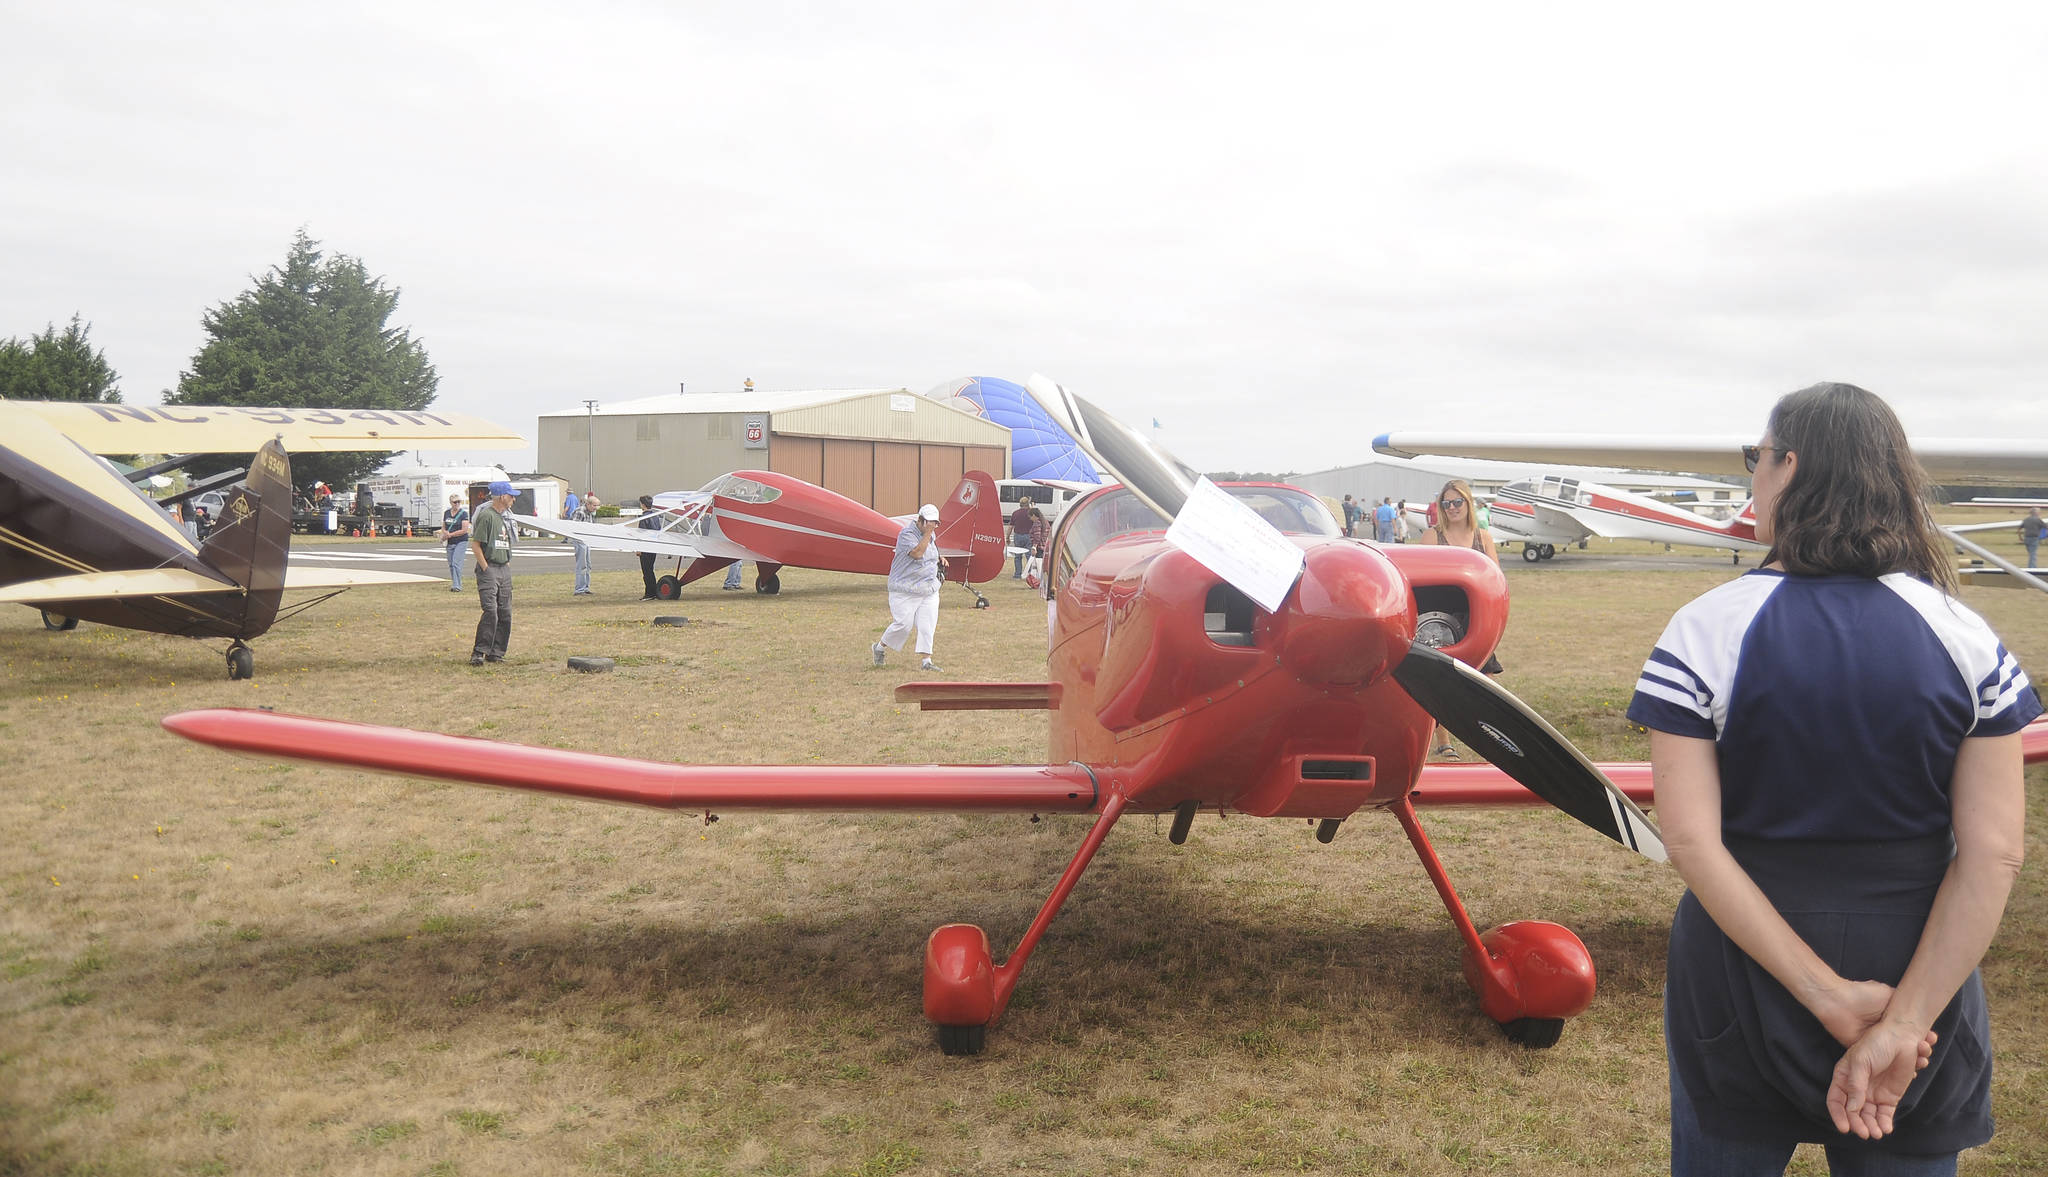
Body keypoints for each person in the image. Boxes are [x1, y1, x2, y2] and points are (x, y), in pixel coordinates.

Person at [1628, 382, 2035, 1174]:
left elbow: (1691, 838)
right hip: (1920, 966)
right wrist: (1901, 1019)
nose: (1752, 477)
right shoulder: (1967, 636)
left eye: (1757, 457)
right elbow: (1994, 855)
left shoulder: (1706, 629)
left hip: (1743, 963)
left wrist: (1824, 994)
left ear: (1790, 466)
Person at [1420, 479, 1502, 758]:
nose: (1452, 508)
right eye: (1447, 503)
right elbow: (1421, 582)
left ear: (1469, 503)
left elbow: (1495, 581)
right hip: (1440, 619)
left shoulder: (1483, 537)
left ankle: (1492, 741)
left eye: (1458, 502)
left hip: (1476, 618)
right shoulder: (1432, 536)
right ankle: (1444, 742)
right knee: (1440, 681)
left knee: (1487, 681)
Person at [871, 502, 946, 672]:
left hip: (928, 588)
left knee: (927, 625)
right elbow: (918, 553)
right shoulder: (906, 535)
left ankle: (926, 661)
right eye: (931, 522)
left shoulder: (931, 536)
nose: (934, 526)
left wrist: (940, 558)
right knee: (903, 625)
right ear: (920, 520)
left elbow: (930, 552)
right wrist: (928, 533)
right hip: (904, 589)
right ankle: (880, 647)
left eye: (936, 523)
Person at [468, 480, 518, 665]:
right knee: (491, 612)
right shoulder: (487, 516)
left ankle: (496, 652)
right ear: (502, 497)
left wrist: (507, 564)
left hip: (503, 568)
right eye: (511, 496)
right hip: (490, 568)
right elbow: (476, 544)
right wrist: (486, 568)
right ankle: (479, 652)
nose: (514, 499)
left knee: (505, 612)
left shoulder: (504, 517)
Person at [439, 493, 471, 592]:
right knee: (451, 564)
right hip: (450, 542)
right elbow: (444, 527)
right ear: (451, 502)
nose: (457, 504)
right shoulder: (447, 513)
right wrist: (445, 533)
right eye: (455, 502)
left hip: (461, 541)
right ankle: (455, 582)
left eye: (458, 502)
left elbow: (464, 530)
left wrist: (451, 534)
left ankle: (457, 585)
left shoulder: (463, 514)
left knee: (456, 563)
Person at [636, 494, 662, 600]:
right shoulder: (656, 516)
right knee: (650, 569)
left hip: (646, 547)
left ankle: (649, 593)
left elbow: (641, 534)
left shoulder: (644, 517)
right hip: (653, 546)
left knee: (647, 571)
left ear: (642, 505)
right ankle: (653, 591)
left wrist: (639, 548)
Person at [569, 490, 593, 596]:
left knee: (588, 565)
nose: (596, 508)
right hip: (580, 541)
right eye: (594, 506)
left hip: (587, 540)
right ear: (588, 504)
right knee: (581, 565)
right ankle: (579, 589)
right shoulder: (580, 512)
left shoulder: (589, 513)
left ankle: (585, 587)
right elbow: (574, 527)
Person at [1009, 500, 1035, 578]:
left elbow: (1010, 526)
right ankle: (1029, 574)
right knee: (1029, 556)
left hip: (1018, 535)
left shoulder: (1015, 513)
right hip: (1028, 536)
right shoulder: (1031, 513)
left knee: (1017, 556)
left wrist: (1007, 537)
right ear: (1028, 504)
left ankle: (1017, 574)